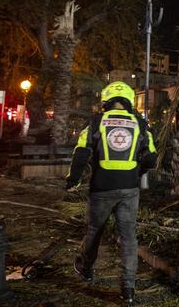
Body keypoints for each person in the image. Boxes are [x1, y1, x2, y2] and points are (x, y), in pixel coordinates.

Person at [66, 81, 157, 304]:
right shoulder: (140, 124)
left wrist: (73, 180)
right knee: (128, 238)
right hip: (129, 189)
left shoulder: (96, 123)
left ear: (106, 100)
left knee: (94, 230)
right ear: (129, 100)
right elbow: (151, 158)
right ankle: (128, 288)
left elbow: (81, 153)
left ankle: (86, 269)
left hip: (101, 188)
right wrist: (138, 170)